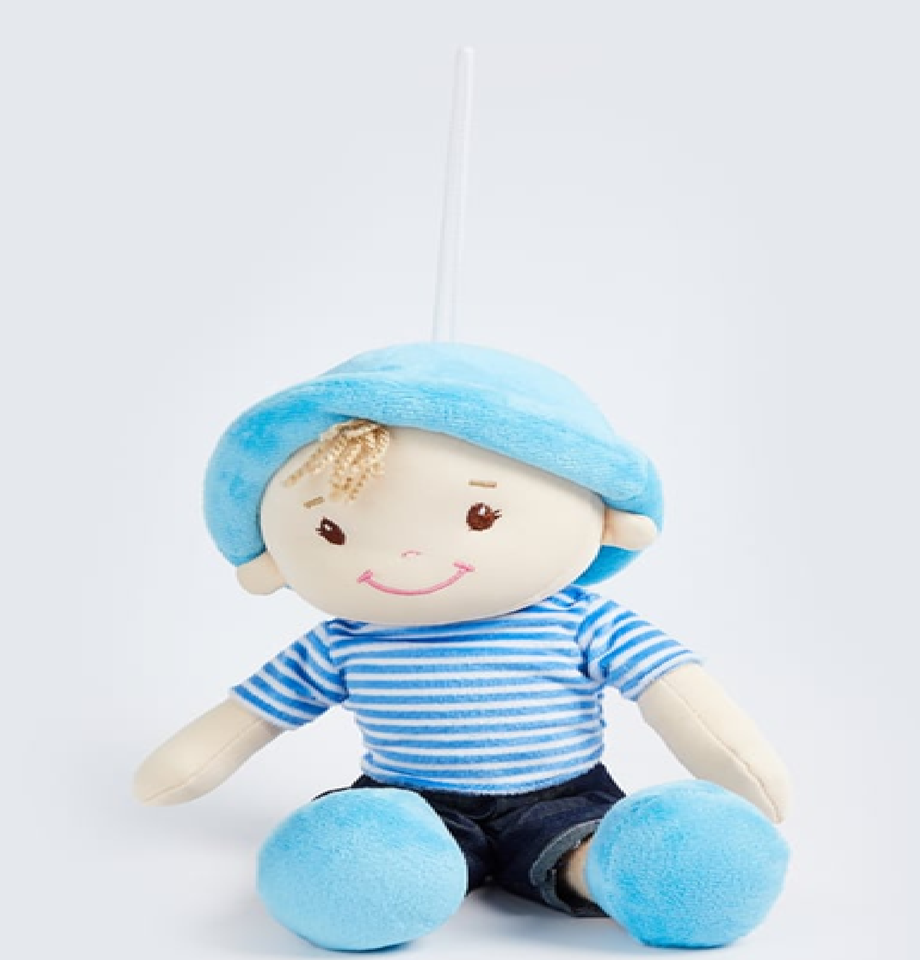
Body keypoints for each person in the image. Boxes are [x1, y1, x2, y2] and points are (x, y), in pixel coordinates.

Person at [135, 342, 791, 952]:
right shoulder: (345, 640)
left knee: (593, 846)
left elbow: (675, 691)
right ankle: (380, 875)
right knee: (367, 851)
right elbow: (253, 715)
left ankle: (617, 870)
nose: (407, 557)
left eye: (482, 515)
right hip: (411, 805)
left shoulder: (579, 621)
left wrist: (740, 767)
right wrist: (188, 766)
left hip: (563, 798)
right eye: (332, 530)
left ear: (605, 516)